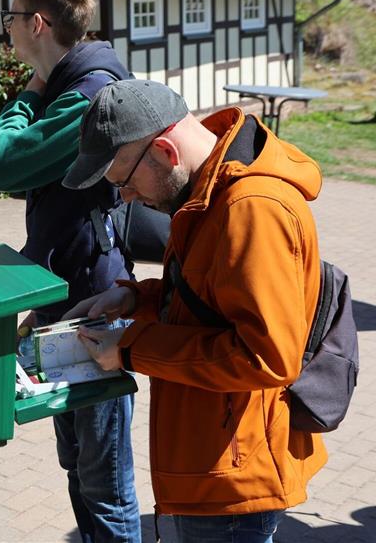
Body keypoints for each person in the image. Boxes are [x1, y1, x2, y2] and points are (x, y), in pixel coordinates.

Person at [63, 79, 327, 543]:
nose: (126, 198)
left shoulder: (252, 209)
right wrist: (137, 299)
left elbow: (264, 356)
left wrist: (131, 349)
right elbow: (213, 296)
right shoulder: (208, 191)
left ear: (165, 151)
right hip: (211, 462)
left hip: (232, 477)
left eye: (124, 183)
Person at [0, 0, 141, 542]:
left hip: (92, 305)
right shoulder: (72, 87)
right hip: (67, 296)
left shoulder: (86, 98)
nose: (8, 27)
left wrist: (29, 91)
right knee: (78, 466)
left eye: (12, 17)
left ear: (38, 24)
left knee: (105, 484)